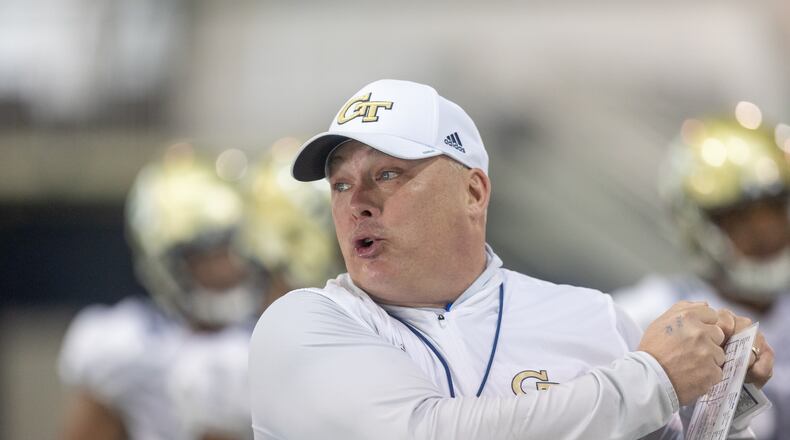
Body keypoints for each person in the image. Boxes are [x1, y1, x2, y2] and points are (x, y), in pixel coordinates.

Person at [248, 79, 774, 439]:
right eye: (340, 184)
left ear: (473, 192)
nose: (357, 201)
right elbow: (425, 433)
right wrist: (654, 380)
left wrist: (720, 401)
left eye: (387, 174)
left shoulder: (592, 317)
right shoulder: (301, 325)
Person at [58, 142, 338, 440]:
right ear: (166, 262)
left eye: (234, 248)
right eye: (206, 255)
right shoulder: (124, 346)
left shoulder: (268, 335)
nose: (228, 267)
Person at [615, 111, 790, 438]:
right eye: (742, 217)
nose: (766, 231)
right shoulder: (642, 316)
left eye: (775, 210)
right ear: (699, 224)